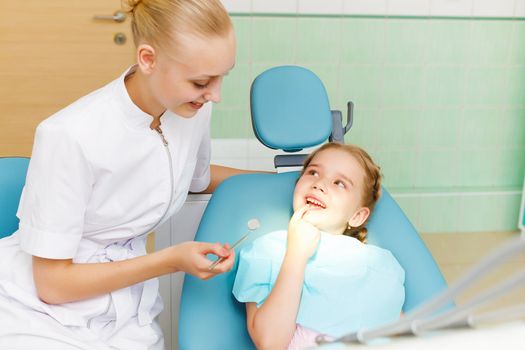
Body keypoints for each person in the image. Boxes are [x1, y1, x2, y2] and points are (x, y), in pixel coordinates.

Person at [0, 0, 252, 348]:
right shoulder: (70, 135)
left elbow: (198, 178)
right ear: (148, 59)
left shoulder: (191, 111)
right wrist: (169, 260)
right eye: (201, 82)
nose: (216, 95)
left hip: (125, 309)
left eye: (222, 76)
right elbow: (52, 285)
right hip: (40, 313)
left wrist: (293, 180)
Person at [232, 143, 405, 350]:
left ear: (357, 216)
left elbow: (400, 333)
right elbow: (271, 343)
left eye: (340, 183)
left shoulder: (380, 265)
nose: (319, 184)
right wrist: (296, 255)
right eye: (313, 172)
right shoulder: (266, 251)